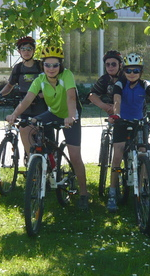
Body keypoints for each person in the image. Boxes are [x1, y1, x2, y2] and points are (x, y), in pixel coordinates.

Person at [5, 45, 90, 209]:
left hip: (70, 115)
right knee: (28, 126)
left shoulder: (67, 75)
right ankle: (38, 163)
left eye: (55, 65)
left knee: (75, 156)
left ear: (61, 65)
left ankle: (84, 194)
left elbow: (71, 98)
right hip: (53, 112)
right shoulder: (40, 80)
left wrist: (71, 117)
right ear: (42, 65)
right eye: (47, 65)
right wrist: (14, 115)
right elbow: (27, 100)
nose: (51, 68)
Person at [106, 53, 150, 212]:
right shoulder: (120, 84)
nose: (132, 74)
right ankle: (112, 192)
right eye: (128, 70)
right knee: (118, 154)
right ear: (124, 71)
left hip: (140, 122)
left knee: (144, 152)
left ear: (141, 72)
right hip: (121, 122)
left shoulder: (145, 84)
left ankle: (142, 186)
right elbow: (117, 100)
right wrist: (116, 115)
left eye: (136, 70)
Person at [0, 36, 46, 156]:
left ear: (33, 50)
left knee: (45, 136)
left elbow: (50, 86)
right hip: (24, 107)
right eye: (23, 49)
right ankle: (33, 161)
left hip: (41, 105)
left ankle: (46, 159)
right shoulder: (18, 68)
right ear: (19, 52)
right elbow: (10, 85)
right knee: (24, 132)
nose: (26, 52)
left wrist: (40, 96)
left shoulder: (40, 66)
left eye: (29, 49)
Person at [88, 50, 123, 115]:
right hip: (114, 114)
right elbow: (91, 95)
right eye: (107, 64)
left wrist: (117, 107)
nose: (110, 67)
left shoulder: (127, 77)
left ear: (120, 65)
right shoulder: (104, 79)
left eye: (113, 64)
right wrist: (105, 107)